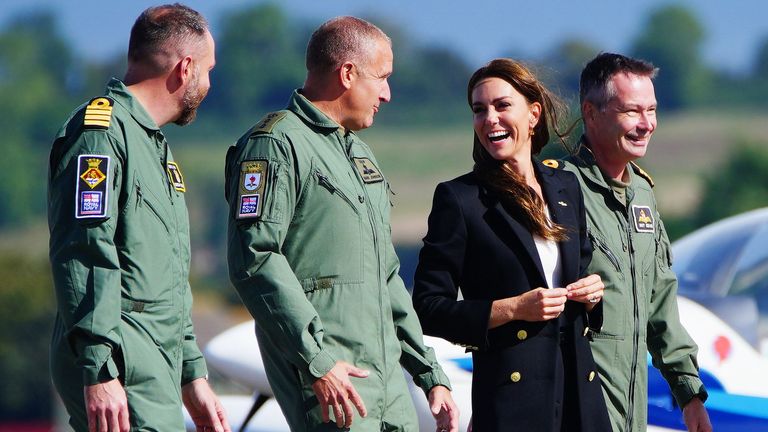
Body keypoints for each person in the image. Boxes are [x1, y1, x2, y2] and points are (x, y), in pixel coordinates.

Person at [225, 16, 458, 432]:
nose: (387, 94)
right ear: (348, 73)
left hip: (389, 396)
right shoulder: (275, 146)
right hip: (334, 389)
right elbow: (256, 259)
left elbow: (385, 277)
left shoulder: (359, 155)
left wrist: (429, 375)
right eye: (382, 78)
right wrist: (318, 362)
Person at [48, 4, 230, 432]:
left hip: (154, 354)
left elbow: (164, 274)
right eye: (208, 70)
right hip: (120, 352)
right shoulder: (102, 133)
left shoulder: (152, 146)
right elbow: (86, 253)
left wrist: (191, 374)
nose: (208, 83)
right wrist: (99, 368)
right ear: (185, 68)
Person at [412, 58, 612, 432]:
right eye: (479, 110)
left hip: (580, 395)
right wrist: (513, 308)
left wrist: (593, 293)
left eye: (502, 105)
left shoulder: (566, 186)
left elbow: (579, 277)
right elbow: (428, 307)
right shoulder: (459, 199)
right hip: (512, 402)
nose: (490, 119)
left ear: (533, 114)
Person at [558, 52, 711, 431]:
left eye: (652, 110)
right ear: (591, 113)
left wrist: (689, 396)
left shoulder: (641, 193)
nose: (647, 125)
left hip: (631, 415)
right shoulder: (557, 190)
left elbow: (659, 301)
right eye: (632, 112)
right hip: (574, 409)